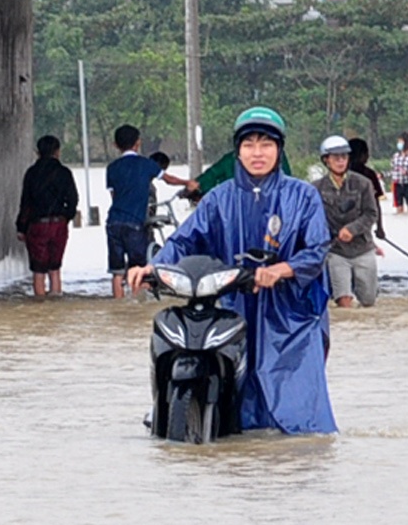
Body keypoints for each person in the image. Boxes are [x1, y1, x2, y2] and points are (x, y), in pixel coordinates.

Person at [127, 106, 335, 434]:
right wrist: (152, 266)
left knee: (299, 421)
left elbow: (317, 249)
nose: (257, 153)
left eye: (266, 144)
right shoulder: (218, 199)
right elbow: (184, 241)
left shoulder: (303, 195)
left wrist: (281, 270)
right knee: (239, 403)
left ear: (279, 149)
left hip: (292, 313)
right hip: (235, 302)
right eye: (249, 144)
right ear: (237, 150)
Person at [311, 134, 382, 309]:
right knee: (344, 301)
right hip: (335, 251)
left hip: (363, 248)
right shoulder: (315, 189)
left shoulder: (364, 183)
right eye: (336, 157)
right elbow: (312, 220)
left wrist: (352, 229)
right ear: (326, 160)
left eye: (344, 157)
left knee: (368, 301)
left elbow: (371, 213)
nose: (341, 161)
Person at [16, 134, 78, 300]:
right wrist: (66, 217)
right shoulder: (64, 173)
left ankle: (40, 309)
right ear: (57, 152)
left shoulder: (31, 173)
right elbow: (73, 200)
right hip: (59, 225)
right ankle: (56, 305)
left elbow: (25, 203)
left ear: (38, 152)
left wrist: (21, 228)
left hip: (37, 225)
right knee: (55, 268)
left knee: (38, 270)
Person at [104, 124, 159, 299]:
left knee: (117, 271)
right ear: (138, 143)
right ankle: (136, 305)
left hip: (113, 223)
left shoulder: (112, 168)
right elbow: (167, 178)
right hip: (134, 223)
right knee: (138, 268)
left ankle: (119, 305)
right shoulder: (146, 164)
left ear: (115, 145)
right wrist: (188, 183)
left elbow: (114, 195)